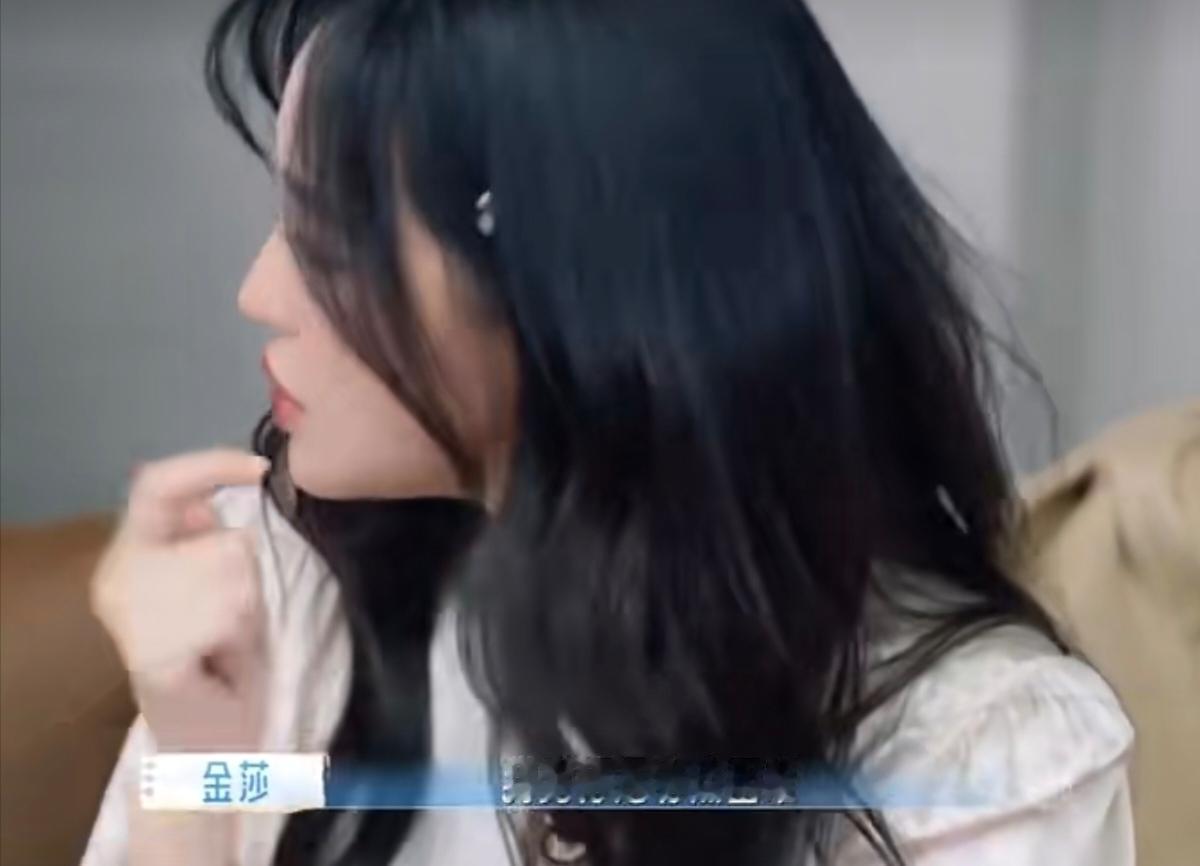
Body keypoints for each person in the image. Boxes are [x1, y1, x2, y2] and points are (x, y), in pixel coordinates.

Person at [82, 1, 1135, 864]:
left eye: (327, 240)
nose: (259, 292)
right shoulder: (284, 593)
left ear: (573, 286)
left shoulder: (973, 760)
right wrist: (192, 761)